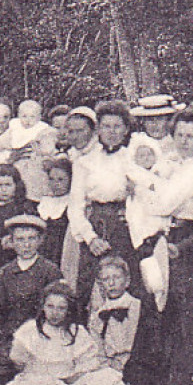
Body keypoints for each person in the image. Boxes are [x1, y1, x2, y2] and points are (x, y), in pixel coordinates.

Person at [126, 108, 193, 385]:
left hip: (185, 240)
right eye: (180, 135)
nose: (185, 141)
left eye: (192, 136)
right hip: (166, 236)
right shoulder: (173, 164)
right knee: (160, 308)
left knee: (184, 314)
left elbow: (162, 203)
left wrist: (144, 184)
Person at [0, 281, 133, 385]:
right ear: (42, 306)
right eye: (50, 306)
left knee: (106, 376)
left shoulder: (76, 332)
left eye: (61, 308)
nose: (55, 313)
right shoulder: (30, 330)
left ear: (68, 310)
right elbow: (19, 362)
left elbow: (85, 365)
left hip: (68, 381)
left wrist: (71, 378)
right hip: (38, 379)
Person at [66, 101, 135, 317]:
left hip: (127, 228)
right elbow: (75, 207)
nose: (111, 132)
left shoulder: (134, 158)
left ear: (125, 130)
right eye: (106, 126)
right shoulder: (84, 162)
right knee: (90, 288)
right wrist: (90, 238)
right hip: (96, 227)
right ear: (98, 130)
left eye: (117, 126)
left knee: (127, 285)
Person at [0, 215, 63, 357]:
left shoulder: (50, 270)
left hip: (42, 337)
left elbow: (59, 309)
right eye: (20, 239)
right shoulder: (7, 272)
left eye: (31, 238)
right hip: (11, 337)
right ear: (12, 242)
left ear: (40, 240)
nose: (26, 245)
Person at [87, 256, 143, 385]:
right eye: (106, 279)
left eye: (116, 278)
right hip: (108, 365)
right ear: (101, 284)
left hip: (134, 364)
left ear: (127, 281)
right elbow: (98, 347)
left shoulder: (136, 306)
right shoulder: (98, 314)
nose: (111, 283)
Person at [0, 163, 37, 267]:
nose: (3, 190)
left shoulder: (24, 208)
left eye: (8, 185)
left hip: (17, 258)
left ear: (16, 185)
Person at [35, 157, 73, 267]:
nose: (55, 184)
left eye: (61, 180)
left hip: (61, 256)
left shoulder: (72, 204)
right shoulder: (43, 202)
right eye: (51, 179)